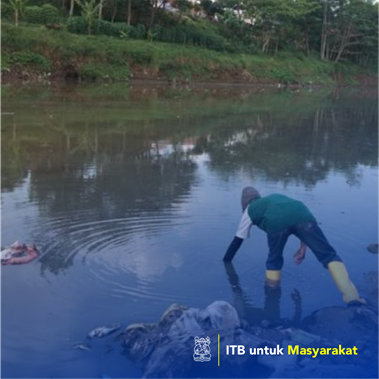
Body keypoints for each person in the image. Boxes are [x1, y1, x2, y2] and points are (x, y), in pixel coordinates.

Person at [223, 186, 365, 305]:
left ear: (244, 204)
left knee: (274, 259)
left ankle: (272, 295)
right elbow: (296, 217)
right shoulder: (273, 198)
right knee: (328, 255)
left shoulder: (250, 210)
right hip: (303, 214)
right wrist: (303, 247)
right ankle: (351, 295)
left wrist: (226, 262)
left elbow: (237, 242)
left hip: (276, 222)